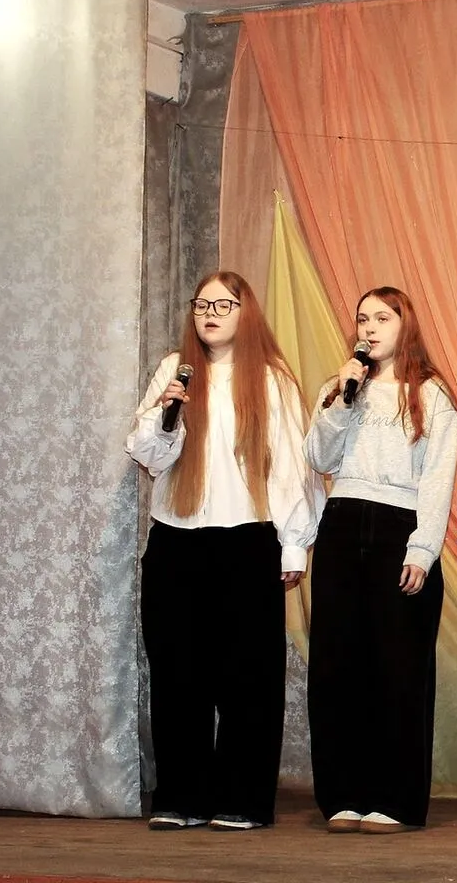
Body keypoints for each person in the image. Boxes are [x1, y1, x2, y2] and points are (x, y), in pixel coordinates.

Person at [127, 271, 322, 832]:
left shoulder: (272, 378)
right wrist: (168, 414)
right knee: (176, 670)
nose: (209, 314)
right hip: (176, 538)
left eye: (222, 305)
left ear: (245, 311)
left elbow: (289, 465)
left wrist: (293, 547)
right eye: (202, 305)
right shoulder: (175, 370)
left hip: (248, 538)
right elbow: (148, 455)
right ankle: (182, 796)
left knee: (248, 674)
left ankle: (243, 798)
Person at [304, 286, 457, 834]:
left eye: (381, 318)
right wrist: (342, 401)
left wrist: (422, 548)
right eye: (362, 319)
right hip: (343, 522)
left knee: (398, 667)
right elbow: (319, 457)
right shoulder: (339, 387)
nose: (368, 328)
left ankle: (395, 799)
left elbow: (438, 479)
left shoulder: (432, 395)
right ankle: (343, 794)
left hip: (401, 526)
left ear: (405, 324)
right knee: (337, 663)